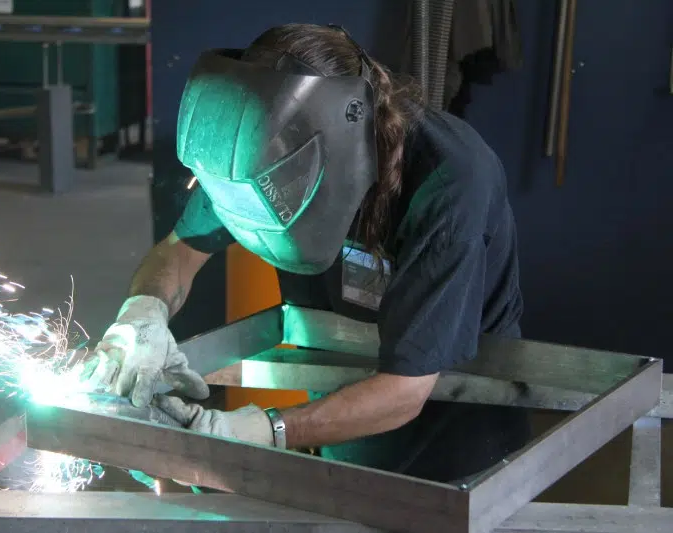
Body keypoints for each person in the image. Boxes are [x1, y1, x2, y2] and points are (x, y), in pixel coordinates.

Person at [83, 23, 528, 484]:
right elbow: (179, 252)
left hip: (456, 432)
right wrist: (142, 315)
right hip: (343, 403)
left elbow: (404, 392)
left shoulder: (450, 182)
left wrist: (260, 429)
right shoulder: (254, 151)